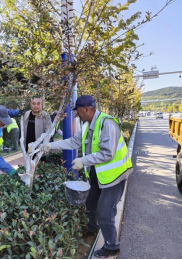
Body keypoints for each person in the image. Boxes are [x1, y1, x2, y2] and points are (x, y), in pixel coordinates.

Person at [34, 95, 133, 258]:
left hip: (114, 176)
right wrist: (51, 145)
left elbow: (108, 153)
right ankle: (92, 229)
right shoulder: (87, 124)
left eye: (78, 112)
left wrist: (83, 160)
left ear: (86, 109)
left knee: (105, 212)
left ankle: (112, 246)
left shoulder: (107, 124)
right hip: (98, 173)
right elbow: (73, 141)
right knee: (91, 202)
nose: (77, 115)